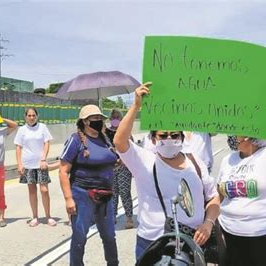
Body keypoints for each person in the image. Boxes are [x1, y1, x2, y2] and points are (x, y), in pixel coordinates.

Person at [113, 82, 220, 262]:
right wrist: (136, 106)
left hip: (191, 245)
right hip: (152, 244)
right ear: (154, 139)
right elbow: (119, 142)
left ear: (181, 137)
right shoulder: (144, 161)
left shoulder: (195, 162)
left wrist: (208, 224)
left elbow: (213, 197)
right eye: (163, 136)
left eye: (174, 135)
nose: (169, 139)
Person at [217, 77, 266, 266]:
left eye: (237, 129)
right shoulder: (228, 160)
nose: (232, 134)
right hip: (230, 237)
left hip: (265, 238)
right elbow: (220, 195)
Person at [59, 104, 119, 266]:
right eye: (95, 119)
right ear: (85, 121)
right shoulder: (75, 140)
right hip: (82, 195)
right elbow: (63, 171)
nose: (99, 121)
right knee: (80, 236)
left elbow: (112, 160)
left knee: (109, 236)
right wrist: (68, 199)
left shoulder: (105, 139)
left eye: (100, 118)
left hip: (106, 195)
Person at [14, 107, 56, 227]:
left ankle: (48, 216)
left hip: (41, 164)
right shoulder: (22, 130)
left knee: (44, 190)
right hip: (28, 164)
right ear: (25, 117)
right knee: (32, 191)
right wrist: (19, 164)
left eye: (33, 115)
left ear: (37, 116)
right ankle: (35, 217)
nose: (31, 118)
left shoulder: (42, 127)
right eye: (29, 115)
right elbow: (18, 147)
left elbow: (47, 143)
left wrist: (43, 158)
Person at [106, 108, 134, 229]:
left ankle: (129, 217)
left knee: (124, 192)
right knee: (113, 193)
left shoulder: (126, 132)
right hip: (110, 167)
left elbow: (131, 148)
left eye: (117, 118)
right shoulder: (105, 133)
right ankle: (112, 216)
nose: (115, 120)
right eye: (113, 118)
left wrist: (122, 159)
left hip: (124, 166)